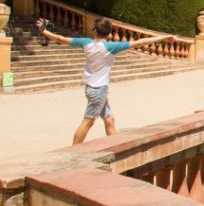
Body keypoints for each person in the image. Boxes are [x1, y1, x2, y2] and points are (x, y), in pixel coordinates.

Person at [38, 17, 174, 144]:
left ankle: (117, 146)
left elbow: (62, 38)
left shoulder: (86, 43)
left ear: (95, 31)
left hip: (92, 88)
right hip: (99, 90)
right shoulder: (111, 47)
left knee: (109, 120)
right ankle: (72, 152)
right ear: (109, 33)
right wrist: (165, 37)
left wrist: (45, 31)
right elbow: (141, 42)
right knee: (87, 122)